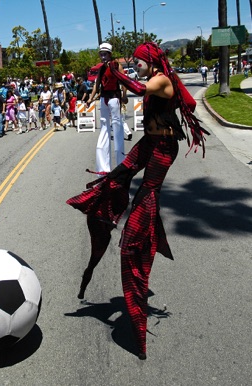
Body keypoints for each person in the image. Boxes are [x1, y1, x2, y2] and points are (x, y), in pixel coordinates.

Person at [66, 42, 210, 360]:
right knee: (116, 176)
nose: (136, 66)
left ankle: (138, 239)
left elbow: (137, 86)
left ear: (149, 62)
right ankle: (97, 209)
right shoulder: (155, 76)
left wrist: (113, 71)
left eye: (139, 62)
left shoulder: (161, 79)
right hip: (150, 142)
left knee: (145, 200)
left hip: (163, 149)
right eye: (133, 63)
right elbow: (133, 86)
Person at [87, 42, 128, 174]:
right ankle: (104, 168)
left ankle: (120, 165)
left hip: (114, 98)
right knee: (104, 126)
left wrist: (124, 95)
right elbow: (97, 84)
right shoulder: (101, 69)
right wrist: (90, 98)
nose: (103, 56)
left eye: (105, 54)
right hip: (104, 98)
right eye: (101, 54)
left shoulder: (116, 66)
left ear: (110, 54)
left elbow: (124, 81)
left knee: (117, 127)